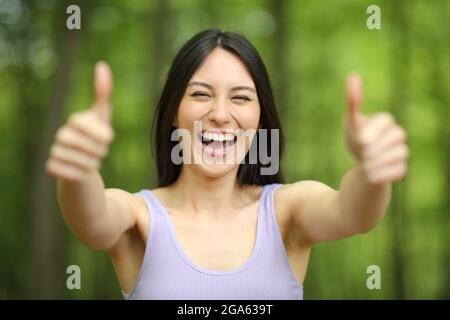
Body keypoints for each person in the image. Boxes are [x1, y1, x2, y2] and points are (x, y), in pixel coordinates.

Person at [45, 29, 409, 300]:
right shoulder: (139, 217)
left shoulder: (286, 212)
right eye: (201, 94)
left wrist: (371, 172)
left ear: (260, 118)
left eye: (241, 98)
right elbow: (90, 218)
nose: (220, 114)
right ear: (173, 111)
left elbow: (353, 213)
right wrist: (80, 170)